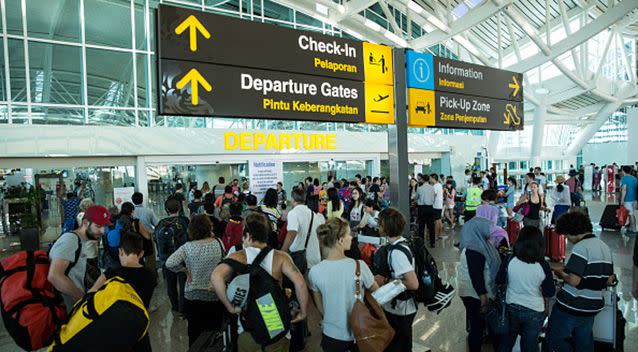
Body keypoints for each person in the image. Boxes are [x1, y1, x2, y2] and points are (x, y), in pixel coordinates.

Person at [211, 212, 308, 352]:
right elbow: (300, 284)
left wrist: (230, 307)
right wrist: (303, 312)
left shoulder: (238, 256)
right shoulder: (281, 257)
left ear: (248, 235)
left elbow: (215, 277)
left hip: (248, 328)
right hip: (276, 325)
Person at [547, 212, 615, 352]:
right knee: (583, 342)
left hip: (572, 305)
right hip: (593, 305)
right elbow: (608, 279)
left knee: (555, 339)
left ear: (572, 231)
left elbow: (574, 280)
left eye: (566, 235)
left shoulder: (581, 247)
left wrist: (560, 273)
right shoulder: (604, 247)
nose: (566, 238)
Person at [309, 217, 379, 351]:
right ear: (340, 240)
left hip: (331, 334)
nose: (351, 238)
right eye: (349, 235)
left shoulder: (314, 271)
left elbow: (320, 307)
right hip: (359, 333)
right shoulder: (359, 266)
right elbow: (377, 293)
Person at [89, 232, 156, 351]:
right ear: (141, 253)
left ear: (120, 251)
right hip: (140, 327)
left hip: (115, 330)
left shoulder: (111, 273)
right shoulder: (150, 275)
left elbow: (91, 293)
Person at [166, 214, 225, 346]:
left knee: (194, 332)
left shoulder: (187, 247)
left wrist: (184, 270)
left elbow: (169, 263)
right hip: (214, 293)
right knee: (214, 332)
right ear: (209, 228)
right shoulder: (218, 243)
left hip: (192, 296)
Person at [496, 226, 554, 352]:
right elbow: (550, 291)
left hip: (511, 307)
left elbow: (499, 280)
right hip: (534, 310)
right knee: (529, 346)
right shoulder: (543, 265)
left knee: (506, 343)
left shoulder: (510, 259)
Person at [48, 205, 110, 311]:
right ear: (85, 223)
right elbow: (54, 276)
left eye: (104, 226)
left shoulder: (81, 241)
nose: (103, 231)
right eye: (99, 226)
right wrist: (83, 298)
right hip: (64, 308)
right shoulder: (70, 240)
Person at [373, 207, 418, 352]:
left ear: (386, 226)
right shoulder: (401, 243)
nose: (378, 226)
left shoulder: (397, 252)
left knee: (399, 346)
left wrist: (386, 280)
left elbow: (413, 283)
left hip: (401, 309)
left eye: (380, 223)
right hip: (399, 306)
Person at [458, 209, 502, 352]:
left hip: (470, 293)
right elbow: (476, 275)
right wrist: (483, 299)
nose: (490, 231)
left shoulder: (473, 243)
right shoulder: (475, 249)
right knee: (478, 328)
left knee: (477, 326)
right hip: (477, 295)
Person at [155, 197, 190, 315]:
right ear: (179, 208)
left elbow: (156, 240)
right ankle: (183, 308)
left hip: (166, 259)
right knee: (183, 283)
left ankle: (174, 307)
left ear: (166, 209)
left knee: (170, 284)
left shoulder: (160, 224)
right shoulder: (184, 221)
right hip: (182, 259)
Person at [281, 188, 323, 271]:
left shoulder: (293, 213)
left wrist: (283, 251)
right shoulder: (313, 214)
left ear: (292, 199)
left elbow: (292, 232)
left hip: (300, 259)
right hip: (315, 257)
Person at [415, 175, 435, 243]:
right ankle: (432, 242)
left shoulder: (419, 188)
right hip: (430, 208)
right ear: (428, 180)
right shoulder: (432, 188)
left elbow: (416, 198)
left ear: (423, 180)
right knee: (431, 226)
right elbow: (433, 197)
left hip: (422, 209)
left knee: (421, 226)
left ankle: (421, 242)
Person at [620, 165, 638, 234]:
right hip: (633, 198)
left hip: (627, 199)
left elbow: (624, 189)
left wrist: (622, 200)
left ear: (623, 171)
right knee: (631, 213)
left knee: (630, 214)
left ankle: (633, 230)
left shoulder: (624, 178)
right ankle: (632, 228)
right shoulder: (634, 178)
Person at [431, 174, 444, 245]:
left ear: (433, 178)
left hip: (436, 205)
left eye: (430, 178)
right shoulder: (439, 185)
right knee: (439, 220)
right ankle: (439, 235)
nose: (430, 180)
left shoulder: (435, 186)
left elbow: (434, 195)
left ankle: (436, 236)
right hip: (440, 205)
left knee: (436, 221)